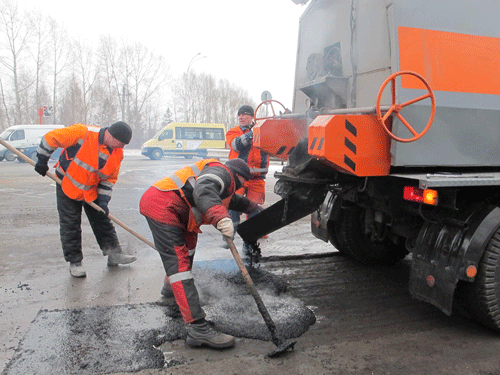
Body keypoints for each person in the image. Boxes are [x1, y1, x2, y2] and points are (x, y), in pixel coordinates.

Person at [139, 158, 262, 349]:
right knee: (179, 266)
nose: (242, 186)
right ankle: (197, 329)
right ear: (238, 176)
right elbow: (204, 189)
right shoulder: (223, 173)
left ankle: (171, 289)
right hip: (163, 207)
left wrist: (253, 208)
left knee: (189, 252)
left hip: (178, 210)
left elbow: (233, 200)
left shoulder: (222, 180)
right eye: (243, 182)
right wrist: (221, 218)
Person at [34, 121, 137, 278]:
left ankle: (114, 254)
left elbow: (108, 179)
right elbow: (50, 138)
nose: (121, 147)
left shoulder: (117, 153)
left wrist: (103, 201)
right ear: (110, 135)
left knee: (102, 219)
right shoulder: (83, 133)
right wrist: (42, 160)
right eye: (120, 143)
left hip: (91, 190)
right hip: (67, 184)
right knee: (70, 224)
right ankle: (75, 262)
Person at [225, 105, 270, 254]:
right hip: (238, 178)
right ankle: (229, 237)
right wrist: (252, 133)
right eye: (239, 115)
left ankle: (250, 243)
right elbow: (236, 145)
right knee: (233, 208)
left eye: (244, 114)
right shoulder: (233, 132)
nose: (241, 117)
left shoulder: (263, 133)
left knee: (255, 210)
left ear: (252, 117)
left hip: (257, 180)